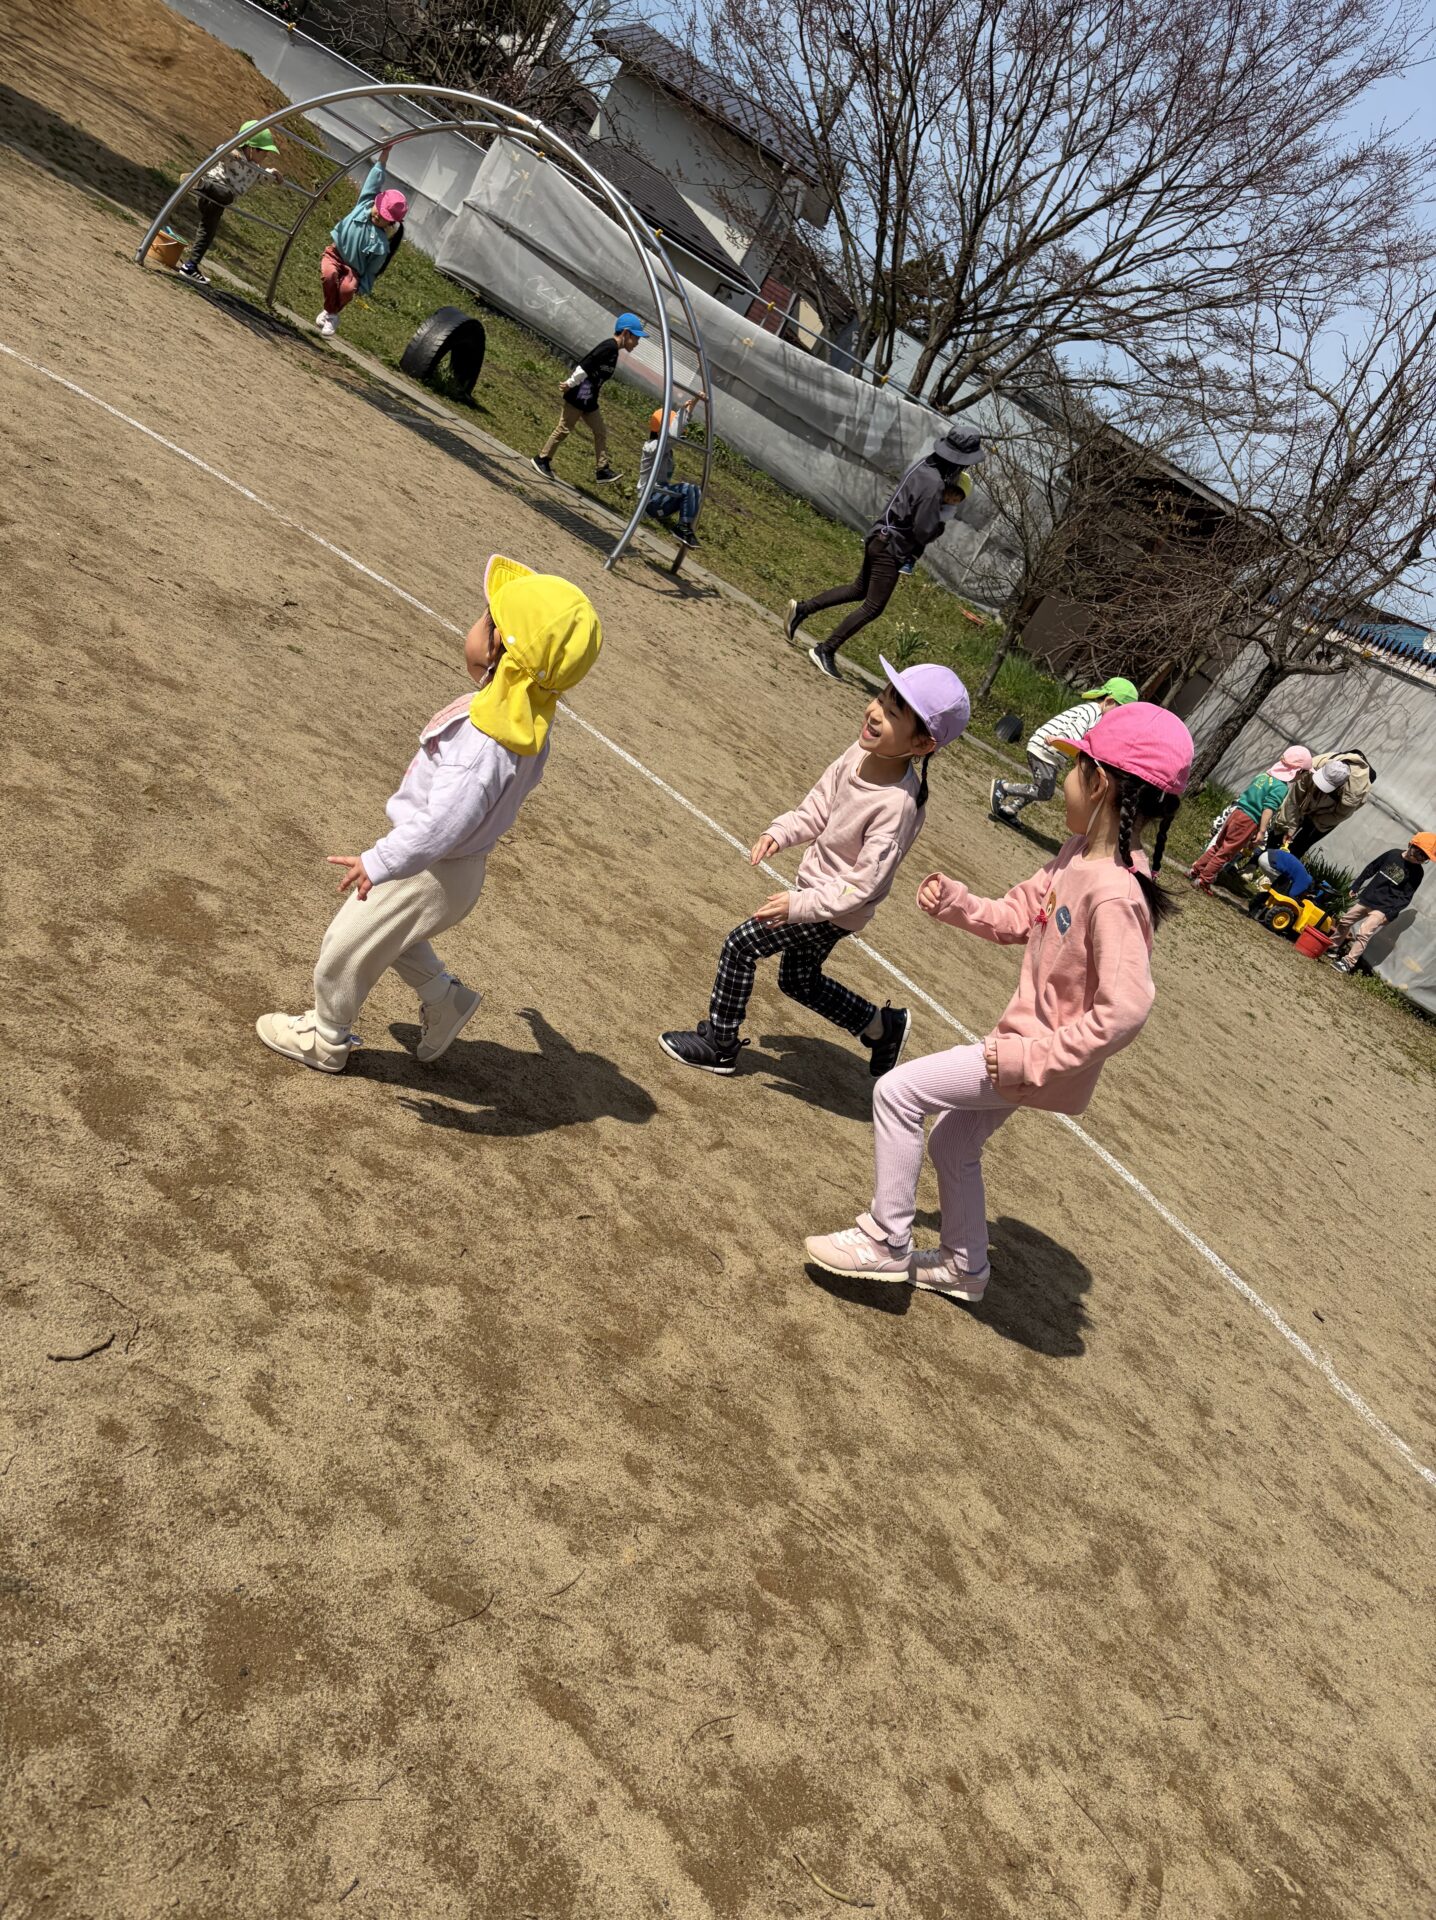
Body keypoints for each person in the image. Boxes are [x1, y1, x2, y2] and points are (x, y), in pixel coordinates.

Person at [803, 702, 1192, 1300]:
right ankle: (965, 1267)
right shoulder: (1076, 853)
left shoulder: (1117, 893)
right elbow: (1019, 915)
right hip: (1019, 1049)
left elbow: (1126, 1009)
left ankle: (885, 1239)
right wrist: (959, 904)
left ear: (1099, 783)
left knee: (897, 1093)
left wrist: (1030, 1059)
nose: (1062, 781)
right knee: (954, 1142)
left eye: (1073, 768)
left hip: (1028, 1058)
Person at [256, 554, 601, 1072]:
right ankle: (445, 999)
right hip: (455, 872)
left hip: (428, 869)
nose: (475, 624)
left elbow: (442, 825)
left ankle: (326, 1037)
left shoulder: (484, 744)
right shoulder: (526, 721)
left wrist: (381, 861)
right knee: (391, 938)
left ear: (498, 648)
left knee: (346, 945)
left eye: (485, 618)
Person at [658, 661, 971, 1078]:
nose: (875, 712)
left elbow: (862, 885)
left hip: (834, 909)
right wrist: (781, 831)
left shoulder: (896, 807)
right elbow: (819, 807)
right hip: (816, 894)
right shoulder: (860, 753)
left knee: (740, 945)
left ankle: (720, 1043)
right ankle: (881, 1027)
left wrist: (799, 905)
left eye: (892, 712)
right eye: (880, 698)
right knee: (798, 980)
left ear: (922, 744)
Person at [785, 427, 986, 679]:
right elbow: (923, 530)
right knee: (873, 607)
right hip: (891, 548)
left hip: (880, 536)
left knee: (858, 590)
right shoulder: (934, 485)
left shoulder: (924, 465)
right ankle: (825, 649)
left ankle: (802, 610)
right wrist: (940, 524)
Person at [989, 678, 1139, 824]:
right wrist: (1064, 742)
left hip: (1052, 754)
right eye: (1120, 714)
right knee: (1045, 791)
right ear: (1109, 701)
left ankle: (1010, 809)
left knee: (1042, 786)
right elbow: (1074, 730)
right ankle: (1004, 787)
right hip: (1045, 749)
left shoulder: (1096, 714)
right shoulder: (1091, 711)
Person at [531, 314, 647, 486]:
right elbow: (585, 365)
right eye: (636, 338)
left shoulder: (614, 352)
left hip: (590, 398)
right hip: (580, 393)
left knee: (600, 431)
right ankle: (542, 459)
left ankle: (602, 470)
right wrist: (570, 383)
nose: (637, 343)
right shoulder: (608, 347)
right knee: (564, 428)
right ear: (626, 333)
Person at [1188, 746, 1311, 893]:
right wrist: (1262, 831)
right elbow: (1268, 808)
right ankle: (1203, 880)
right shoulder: (1281, 787)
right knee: (1226, 852)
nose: (1302, 778)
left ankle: (1194, 871)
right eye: (1304, 774)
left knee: (1218, 845)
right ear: (1297, 771)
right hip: (1248, 820)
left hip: (1237, 812)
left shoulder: (1263, 776)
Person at [178, 120, 284, 286]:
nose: (266, 156)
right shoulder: (236, 156)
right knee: (228, 195)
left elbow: (264, 178)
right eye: (264, 152)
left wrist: (274, 174)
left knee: (208, 231)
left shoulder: (255, 168)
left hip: (218, 202)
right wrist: (230, 150)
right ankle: (199, 183)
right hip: (212, 189)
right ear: (251, 148)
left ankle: (191, 265)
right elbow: (220, 150)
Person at [316, 148, 406, 339]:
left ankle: (331, 313)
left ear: (390, 224)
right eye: (378, 210)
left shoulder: (381, 245)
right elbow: (375, 177)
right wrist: (384, 154)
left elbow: (372, 269)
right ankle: (330, 312)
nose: (378, 216)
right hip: (335, 254)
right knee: (329, 275)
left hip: (353, 270)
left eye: (384, 218)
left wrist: (363, 285)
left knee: (347, 290)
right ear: (375, 202)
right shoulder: (364, 204)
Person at [1329, 835, 1435, 974]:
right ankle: (1332, 946)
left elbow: (1406, 897)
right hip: (1368, 898)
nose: (1420, 859)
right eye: (1419, 853)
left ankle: (1348, 962)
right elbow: (1372, 868)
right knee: (1345, 921)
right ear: (1411, 845)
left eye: (1425, 858)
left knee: (1364, 933)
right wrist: (1356, 885)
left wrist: (1390, 915)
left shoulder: (1417, 873)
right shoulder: (1392, 854)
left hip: (1383, 908)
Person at [1277, 749, 1376, 858]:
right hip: (1312, 798)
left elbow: (1339, 815)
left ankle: (1289, 862)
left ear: (1340, 785)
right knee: (1282, 828)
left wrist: (1312, 819)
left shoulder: (1353, 794)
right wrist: (1290, 825)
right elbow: (1295, 798)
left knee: (1302, 842)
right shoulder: (1315, 765)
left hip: (1329, 814)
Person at [638, 401, 702, 548]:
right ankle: (682, 527)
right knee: (687, 488)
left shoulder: (666, 451)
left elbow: (671, 437)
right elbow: (671, 437)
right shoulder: (652, 447)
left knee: (695, 490)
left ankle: (685, 526)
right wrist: (687, 411)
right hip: (650, 500)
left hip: (660, 502)